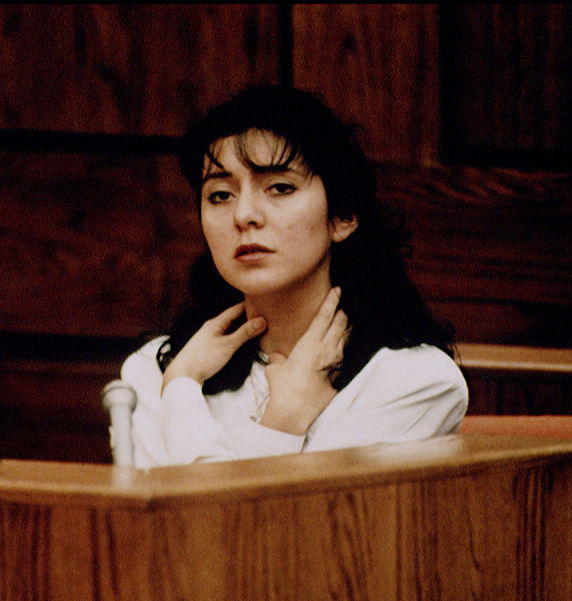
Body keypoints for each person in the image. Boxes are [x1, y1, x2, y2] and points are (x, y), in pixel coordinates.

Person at [119, 85, 467, 468]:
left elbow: (261, 511)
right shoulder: (156, 369)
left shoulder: (413, 381)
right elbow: (166, 509)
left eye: (280, 188)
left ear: (343, 216)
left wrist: (281, 423)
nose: (244, 215)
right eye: (220, 195)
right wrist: (183, 383)